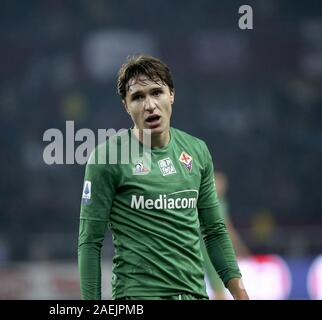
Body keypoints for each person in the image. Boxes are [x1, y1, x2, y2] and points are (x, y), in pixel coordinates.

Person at [78, 54, 249, 300]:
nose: (149, 105)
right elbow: (90, 243)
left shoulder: (197, 151)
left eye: (156, 92)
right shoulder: (107, 158)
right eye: (138, 97)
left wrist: (241, 294)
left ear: (172, 95)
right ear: (126, 105)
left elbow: (214, 231)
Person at [201, 171, 251, 299]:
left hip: (211, 247)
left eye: (222, 185)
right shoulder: (202, 200)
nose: (220, 188)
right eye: (217, 183)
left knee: (217, 284)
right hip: (199, 246)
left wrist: (240, 248)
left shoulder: (221, 203)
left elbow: (227, 228)